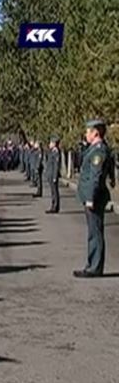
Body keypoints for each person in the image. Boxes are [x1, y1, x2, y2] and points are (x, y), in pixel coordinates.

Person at [74, 119, 111, 278]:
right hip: (93, 196)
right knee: (93, 232)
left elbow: (95, 177)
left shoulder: (98, 151)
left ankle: (95, 267)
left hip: (95, 197)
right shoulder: (93, 149)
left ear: (95, 132)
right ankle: (92, 264)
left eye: (88, 131)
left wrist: (90, 198)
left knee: (95, 232)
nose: (86, 134)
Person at [45, 136, 61, 214]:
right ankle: (53, 205)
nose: (49, 144)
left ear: (54, 143)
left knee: (55, 191)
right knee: (52, 191)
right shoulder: (51, 151)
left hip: (53, 175)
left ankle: (55, 206)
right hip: (50, 174)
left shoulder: (56, 152)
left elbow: (56, 165)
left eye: (51, 143)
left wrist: (55, 176)